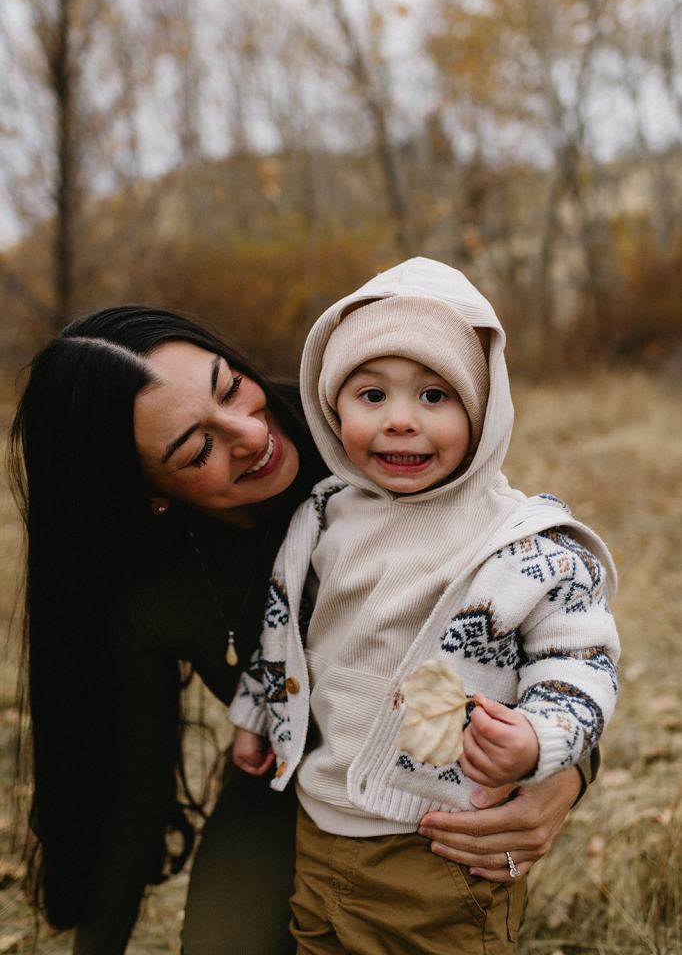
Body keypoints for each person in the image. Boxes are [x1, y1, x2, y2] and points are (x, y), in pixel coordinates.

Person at [10, 302, 599, 955]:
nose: (249, 434)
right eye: (199, 447)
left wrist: (563, 778)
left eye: (231, 386)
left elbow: (555, 622)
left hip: (428, 782)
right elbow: (133, 792)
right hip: (282, 770)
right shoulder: (145, 589)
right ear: (146, 491)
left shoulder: (366, 433)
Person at [230, 257, 619, 954]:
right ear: (332, 408)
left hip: (438, 849)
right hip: (318, 827)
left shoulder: (522, 542)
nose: (401, 422)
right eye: (372, 395)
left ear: (482, 408)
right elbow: (283, 629)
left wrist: (538, 739)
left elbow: (581, 661)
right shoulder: (321, 517)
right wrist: (257, 711)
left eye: (435, 397)